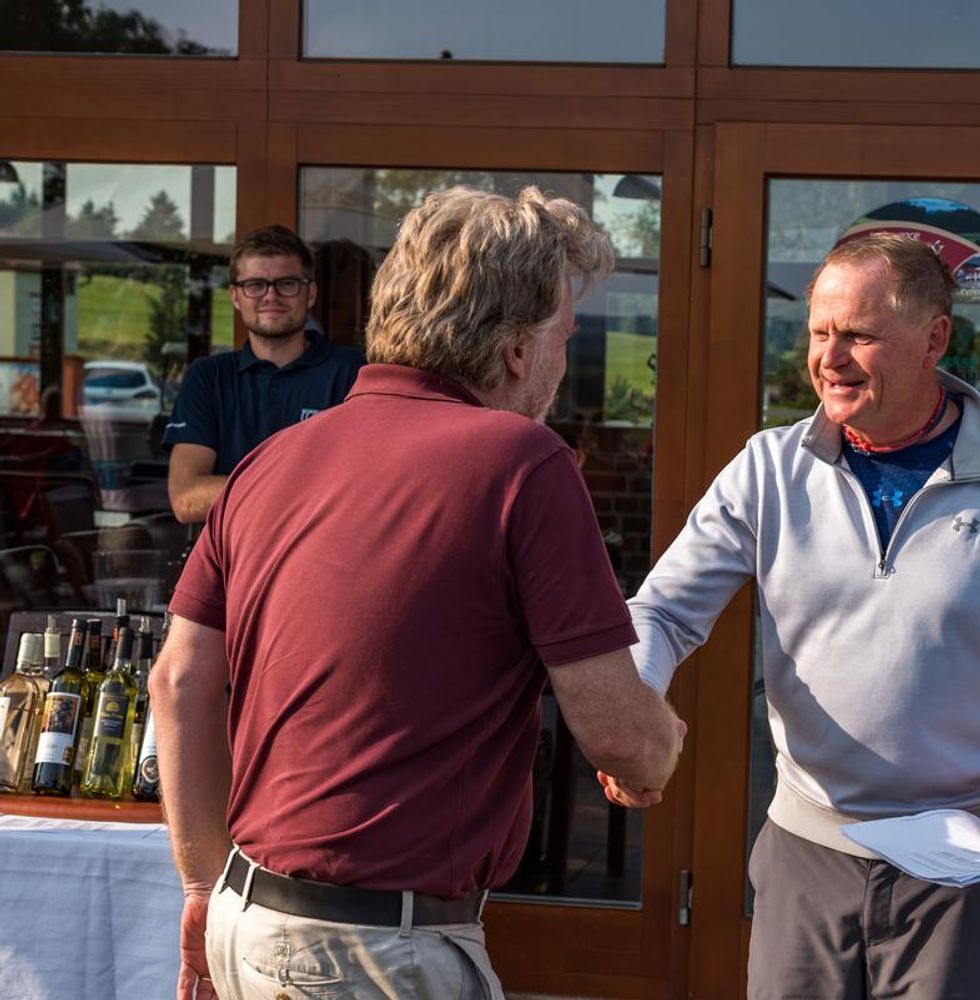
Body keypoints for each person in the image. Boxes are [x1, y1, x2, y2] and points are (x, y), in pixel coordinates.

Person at [151, 186, 686, 1000]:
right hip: (376, 947)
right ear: (517, 348)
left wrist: (200, 883)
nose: (561, 357)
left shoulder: (271, 460)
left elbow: (179, 681)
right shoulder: (522, 460)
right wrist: (659, 743)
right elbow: (620, 734)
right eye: (564, 334)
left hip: (247, 918)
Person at [615, 234, 980, 999]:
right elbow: (662, 612)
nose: (830, 359)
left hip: (964, 868)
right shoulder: (768, 469)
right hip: (807, 852)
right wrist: (633, 708)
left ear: (935, 338)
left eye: (859, 335)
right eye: (819, 333)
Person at [163, 225, 363, 523]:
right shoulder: (209, 377)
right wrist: (305, 493)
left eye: (287, 284)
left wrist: (238, 491)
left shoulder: (355, 373)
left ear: (310, 294)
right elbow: (187, 497)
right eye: (255, 285)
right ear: (235, 296)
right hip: (231, 554)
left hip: (326, 551)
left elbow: (362, 489)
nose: (271, 296)